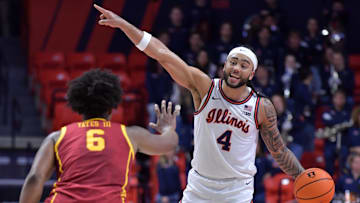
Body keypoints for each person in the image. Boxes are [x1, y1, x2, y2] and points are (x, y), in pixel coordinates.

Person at [94, 4, 305, 202]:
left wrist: (303, 176)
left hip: (237, 191)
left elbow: (279, 150)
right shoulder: (205, 87)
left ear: (252, 73)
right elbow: (163, 55)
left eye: (243, 65)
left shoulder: (261, 107)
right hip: (199, 187)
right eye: (233, 62)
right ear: (225, 65)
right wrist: (123, 24)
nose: (236, 68)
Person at [19, 69, 181, 203]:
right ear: (111, 108)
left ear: (80, 108)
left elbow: (35, 178)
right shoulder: (130, 134)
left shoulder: (57, 136)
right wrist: (167, 129)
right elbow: (169, 144)